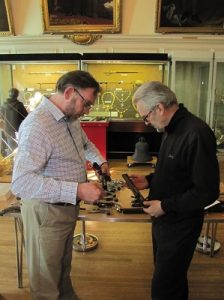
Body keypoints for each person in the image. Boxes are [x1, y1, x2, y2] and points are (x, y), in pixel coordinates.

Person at [11, 70, 110, 300]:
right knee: (46, 280)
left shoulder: (71, 119)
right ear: (68, 93)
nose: (87, 111)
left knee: (62, 269)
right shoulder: (38, 126)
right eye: (86, 104)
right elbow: (21, 182)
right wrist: (77, 189)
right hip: (47, 212)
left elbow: (85, 144)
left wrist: (101, 161)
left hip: (65, 209)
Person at [130, 81, 220, 300]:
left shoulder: (196, 133)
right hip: (165, 219)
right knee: (172, 278)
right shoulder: (170, 129)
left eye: (146, 116)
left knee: (164, 287)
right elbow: (177, 171)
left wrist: (165, 206)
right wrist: (150, 180)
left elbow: (207, 192)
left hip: (181, 224)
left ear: (159, 108)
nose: (147, 122)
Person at [0, 88, 28, 153]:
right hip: (18, 130)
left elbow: (1, 117)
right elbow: (26, 117)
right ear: (17, 95)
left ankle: (10, 162)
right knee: (19, 148)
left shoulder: (4, 105)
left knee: (11, 148)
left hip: (8, 130)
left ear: (9, 95)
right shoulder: (19, 105)